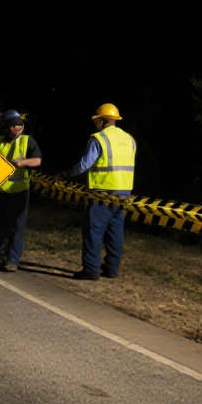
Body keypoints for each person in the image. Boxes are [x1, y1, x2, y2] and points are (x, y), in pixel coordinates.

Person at [53, 103, 137, 280]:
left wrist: (67, 173)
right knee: (115, 232)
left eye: (97, 120)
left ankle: (91, 270)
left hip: (101, 193)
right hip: (123, 194)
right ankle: (111, 269)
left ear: (104, 120)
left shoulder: (99, 139)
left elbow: (84, 164)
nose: (95, 124)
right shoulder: (130, 140)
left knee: (93, 231)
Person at [0, 110, 42, 272]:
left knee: (16, 227)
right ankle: (0, 256)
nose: (15, 129)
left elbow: (38, 160)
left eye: (17, 126)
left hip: (19, 192)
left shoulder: (27, 141)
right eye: (9, 126)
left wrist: (23, 163)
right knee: (0, 226)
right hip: (0, 192)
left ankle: (13, 260)